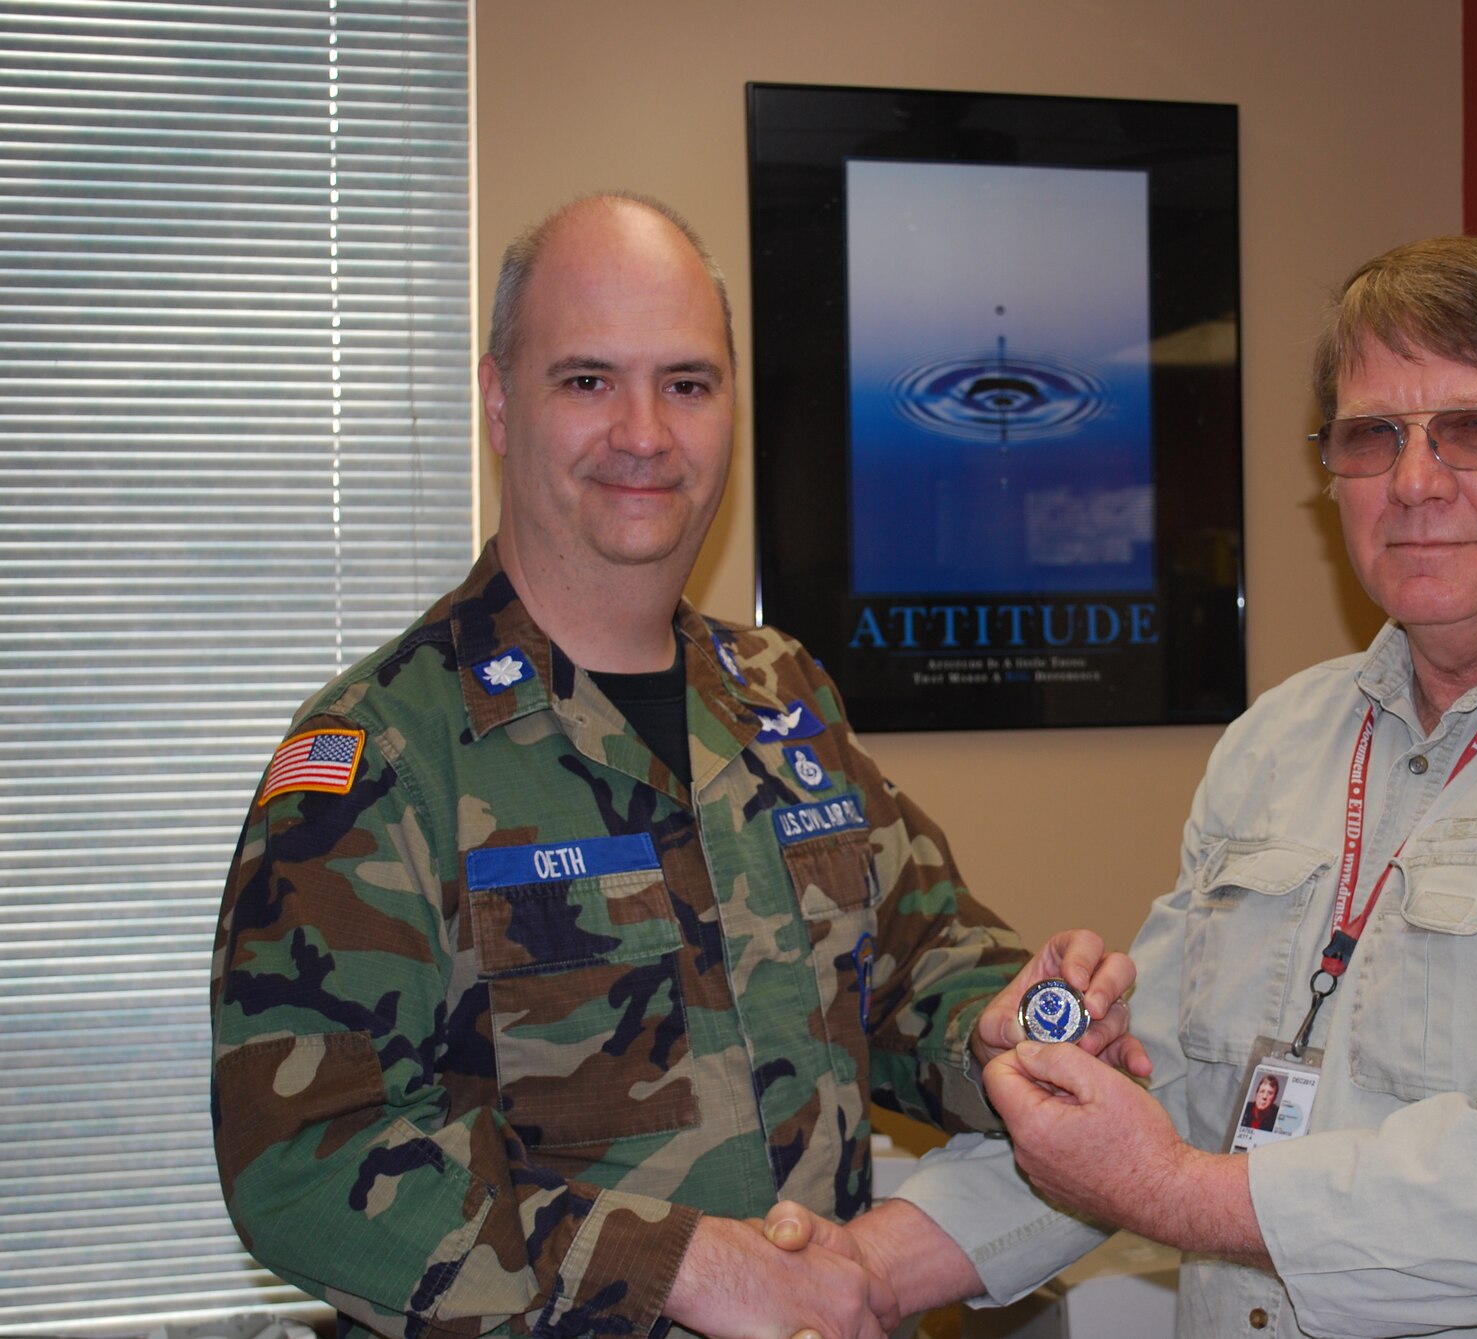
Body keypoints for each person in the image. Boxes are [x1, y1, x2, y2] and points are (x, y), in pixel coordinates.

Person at [769, 233, 1477, 1338]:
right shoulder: (1280, 739)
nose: (1414, 482)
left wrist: (1172, 1191)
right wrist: (859, 1272)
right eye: (1370, 437)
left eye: (1475, 430)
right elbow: (1167, 1088)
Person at [209, 192, 1138, 1339]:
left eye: (687, 383)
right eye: (587, 380)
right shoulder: (381, 752)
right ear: (501, 401)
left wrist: (998, 1027)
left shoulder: (782, 697)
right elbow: (305, 1161)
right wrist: (674, 1266)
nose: (644, 431)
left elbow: (911, 966)